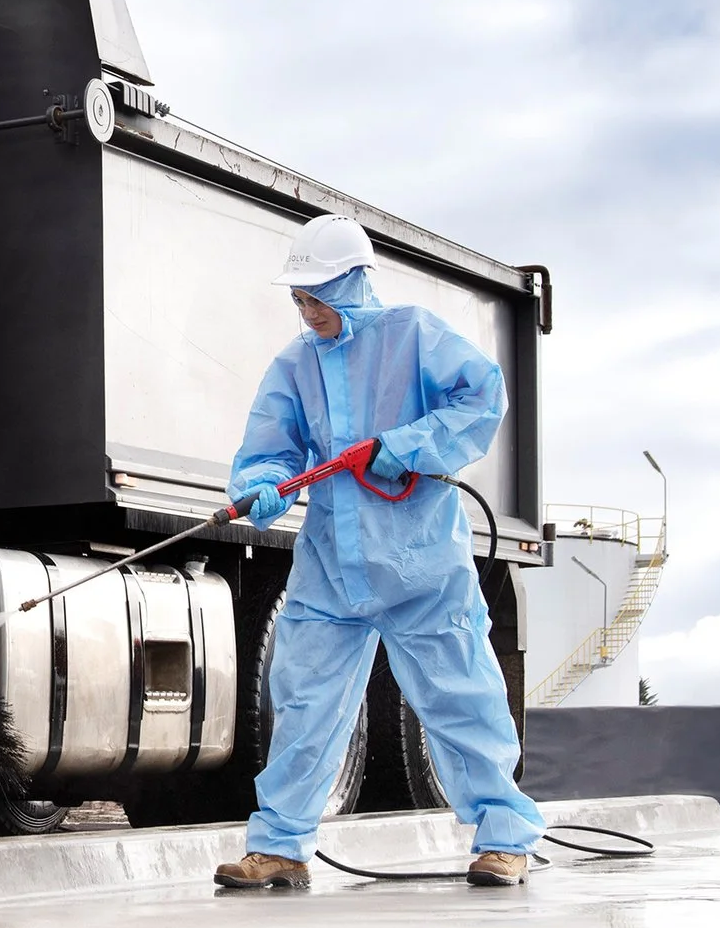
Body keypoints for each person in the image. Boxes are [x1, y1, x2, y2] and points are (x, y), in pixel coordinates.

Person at [211, 214, 544, 891]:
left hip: (420, 560)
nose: (308, 310)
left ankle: (505, 839)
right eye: (300, 298)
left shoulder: (414, 336)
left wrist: (406, 447)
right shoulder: (294, 365)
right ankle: (279, 846)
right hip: (332, 566)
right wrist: (261, 486)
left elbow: (481, 395)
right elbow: (269, 448)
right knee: (302, 701)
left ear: (356, 284)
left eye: (319, 296)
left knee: (460, 696)